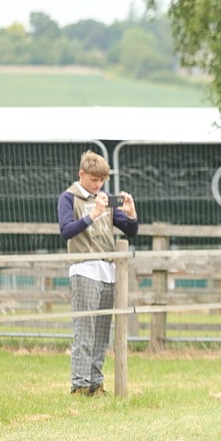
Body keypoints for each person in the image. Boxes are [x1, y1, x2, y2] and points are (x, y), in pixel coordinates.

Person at [57, 150, 139, 396]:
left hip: (108, 271)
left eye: (102, 181)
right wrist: (92, 215)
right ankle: (80, 384)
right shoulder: (68, 198)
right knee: (85, 330)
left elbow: (130, 230)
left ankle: (95, 383)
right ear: (81, 174)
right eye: (94, 180)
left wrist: (131, 212)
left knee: (103, 331)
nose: (98, 185)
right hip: (84, 269)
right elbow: (65, 230)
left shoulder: (105, 199)